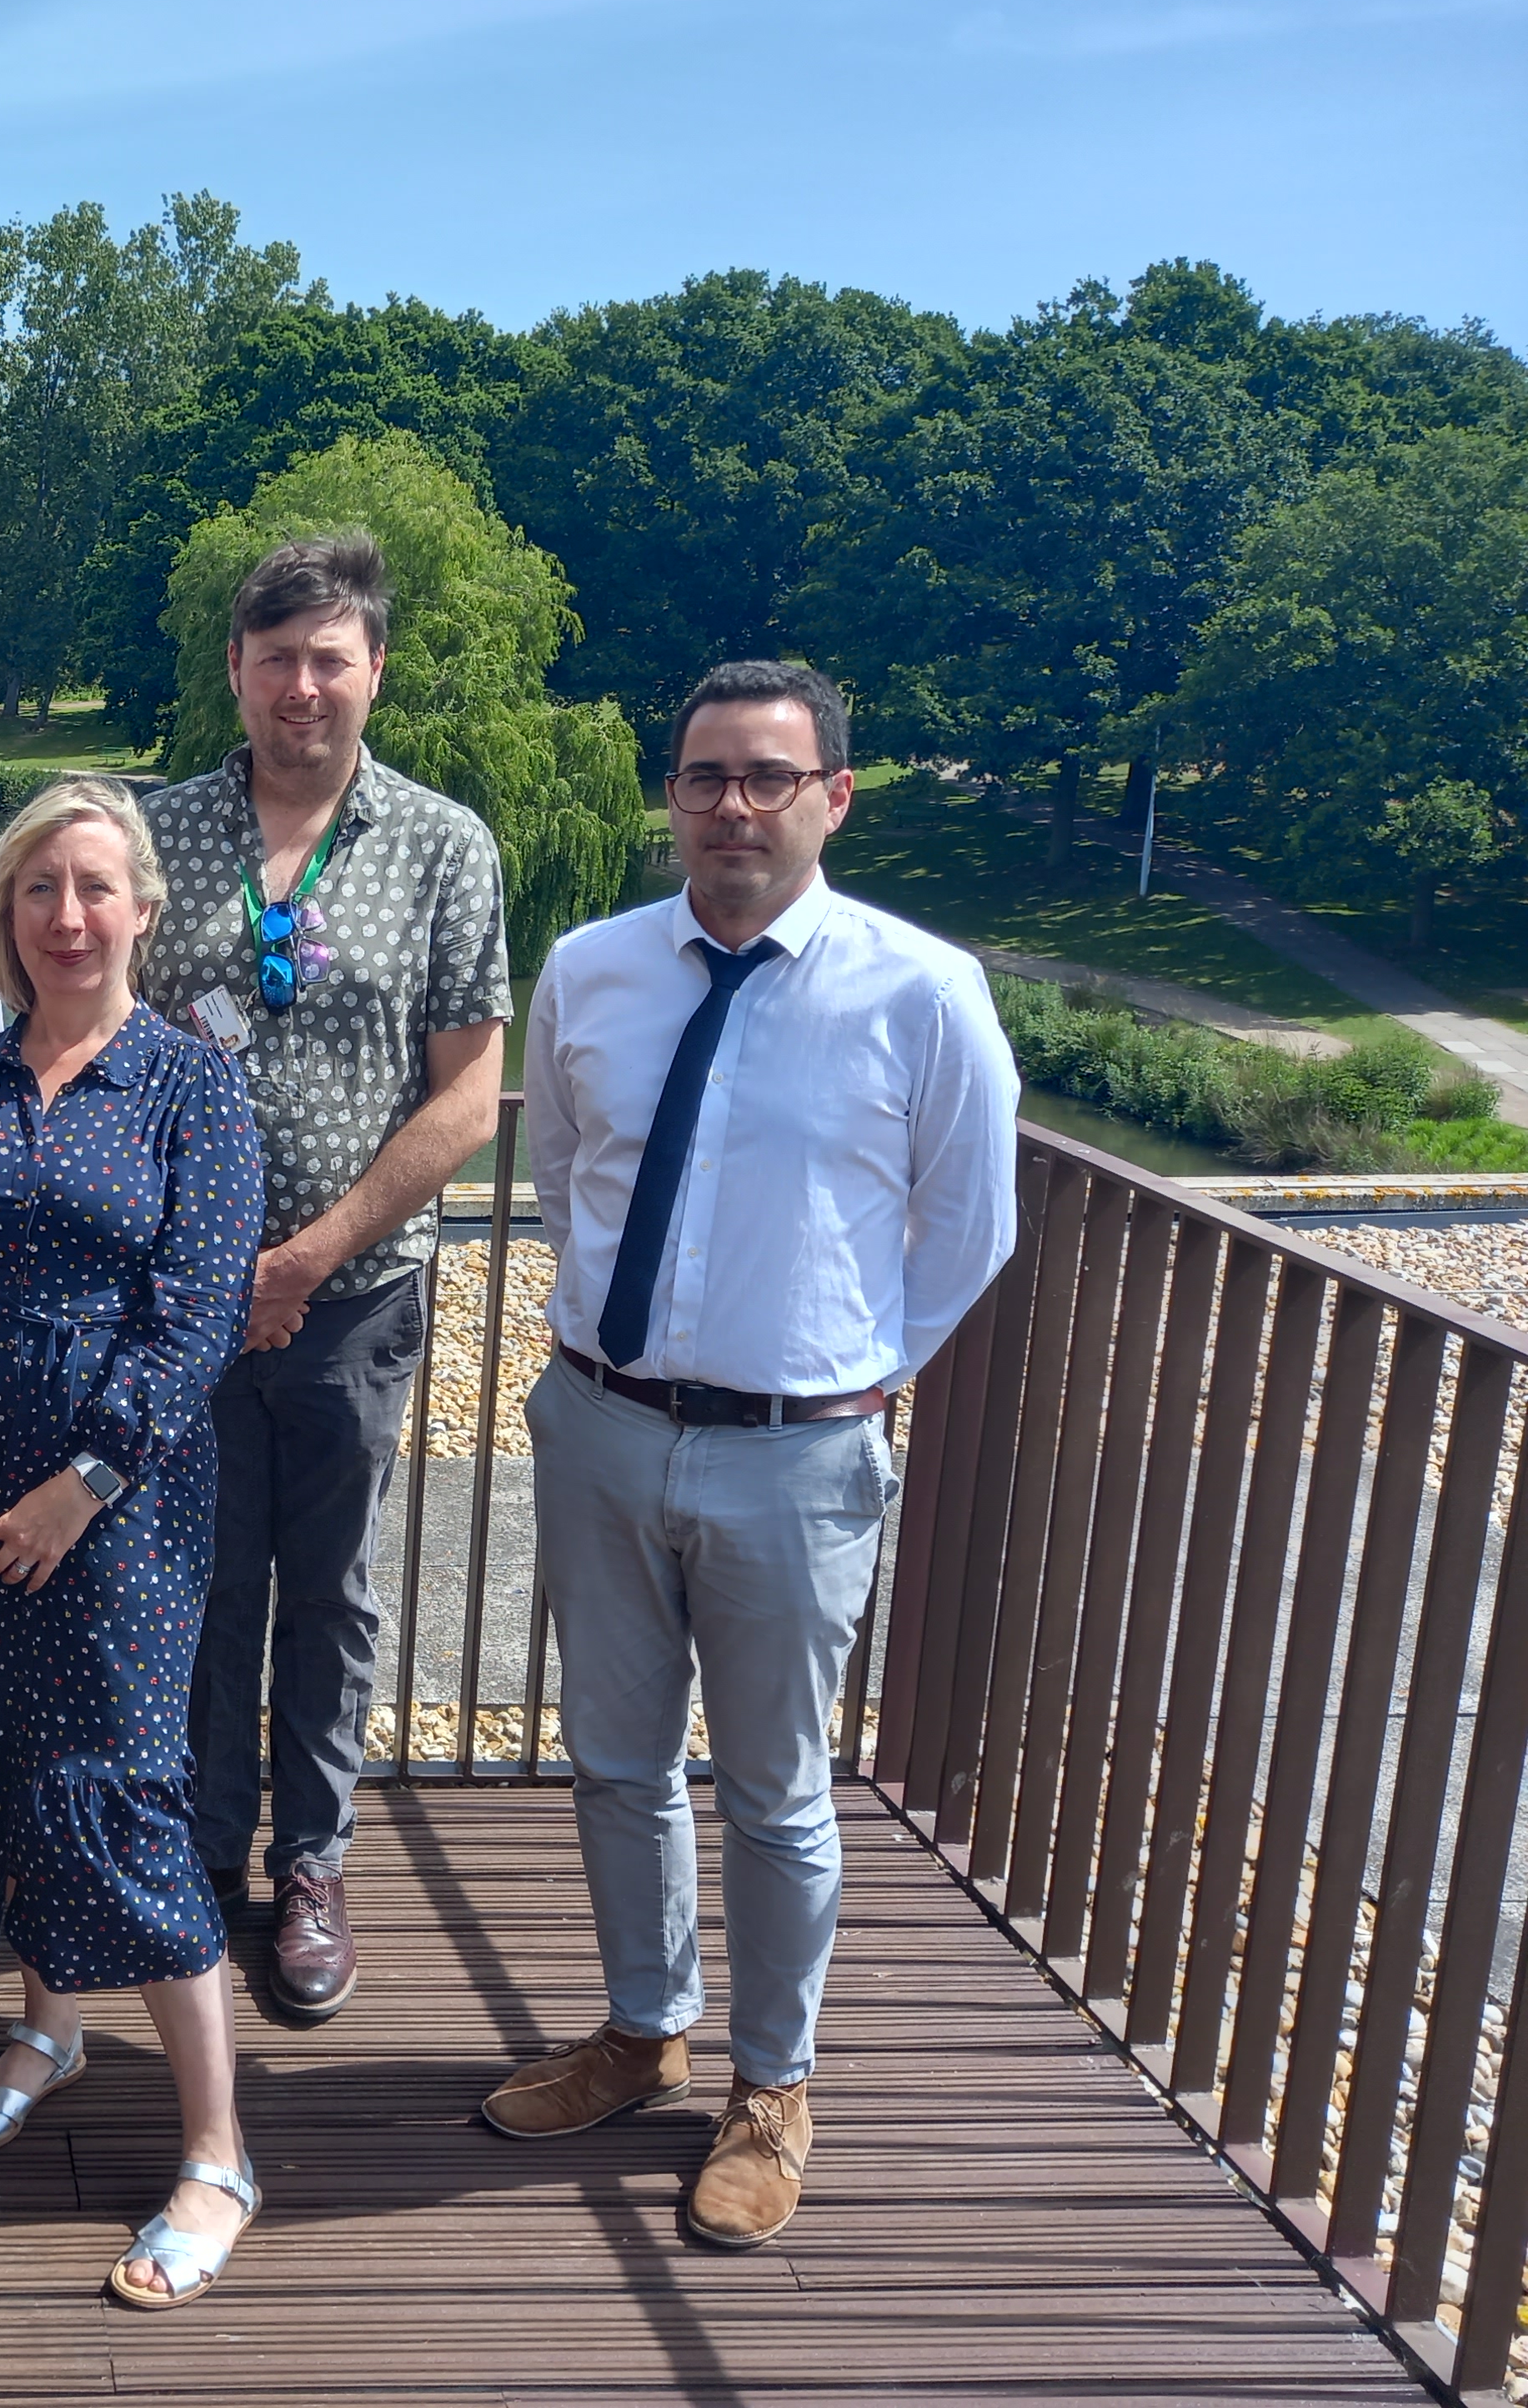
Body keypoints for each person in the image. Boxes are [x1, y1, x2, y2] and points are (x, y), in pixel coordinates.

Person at [484, 660, 1016, 2248]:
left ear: (831, 797)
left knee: (779, 1790)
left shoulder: (922, 990)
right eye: (706, 774)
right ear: (676, 793)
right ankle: (645, 2032)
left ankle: (773, 2085)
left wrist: (842, 1382)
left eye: (767, 777)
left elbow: (968, 1229)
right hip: (599, 1424)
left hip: (798, 1460)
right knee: (619, 1761)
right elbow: (569, 1169)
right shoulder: (589, 970)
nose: (730, 805)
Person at [0, 778, 266, 2309]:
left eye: (95, 888)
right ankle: (49, 2028)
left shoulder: (189, 1089)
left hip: (116, 1522)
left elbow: (195, 1313)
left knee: (124, 1794)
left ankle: (217, 2151)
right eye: (38, 891)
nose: (67, 917)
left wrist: (84, 1482)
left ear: (143, 908)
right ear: (5, 917)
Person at [138, 533, 511, 2020]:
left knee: (334, 1588)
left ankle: (313, 1860)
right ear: (235, 672)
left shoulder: (444, 846)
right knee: (201, 1579)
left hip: (353, 1297)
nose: (304, 685)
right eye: (276, 657)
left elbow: (470, 1095)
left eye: (330, 658)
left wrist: (305, 1257)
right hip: (178, 1303)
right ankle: (204, 1840)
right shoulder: (154, 834)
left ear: (372, 673)